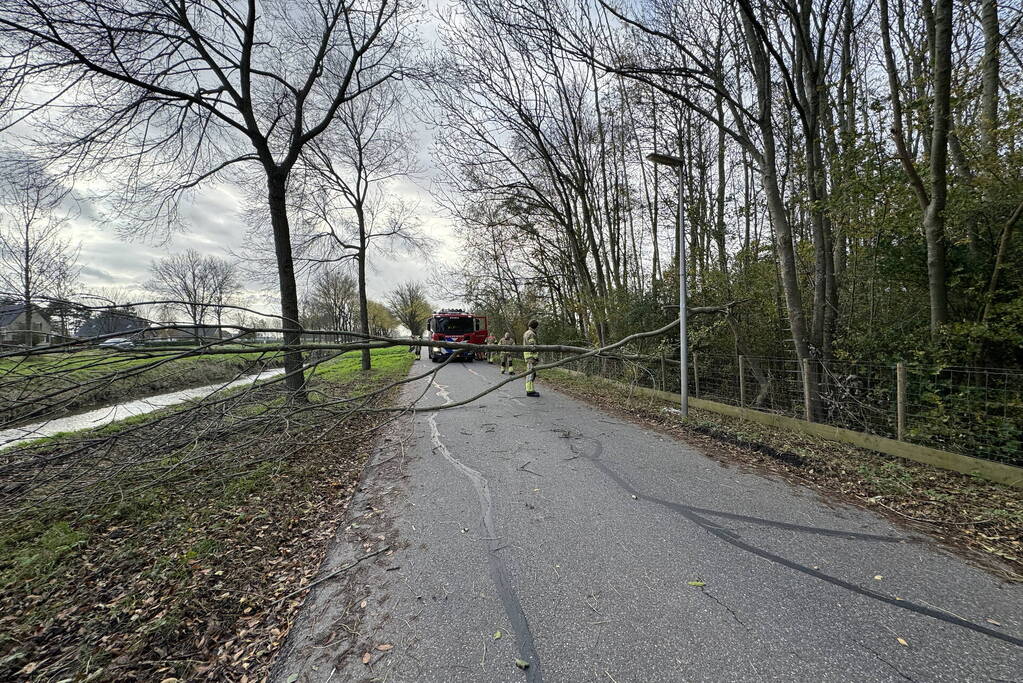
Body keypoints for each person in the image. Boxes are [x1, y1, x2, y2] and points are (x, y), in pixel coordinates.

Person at [522, 319, 540, 397]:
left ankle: (531, 389)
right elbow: (532, 346)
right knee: (530, 374)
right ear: (535, 326)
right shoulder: (532, 334)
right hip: (531, 356)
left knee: (532, 373)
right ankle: (529, 391)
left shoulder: (526, 333)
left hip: (528, 355)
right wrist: (535, 356)